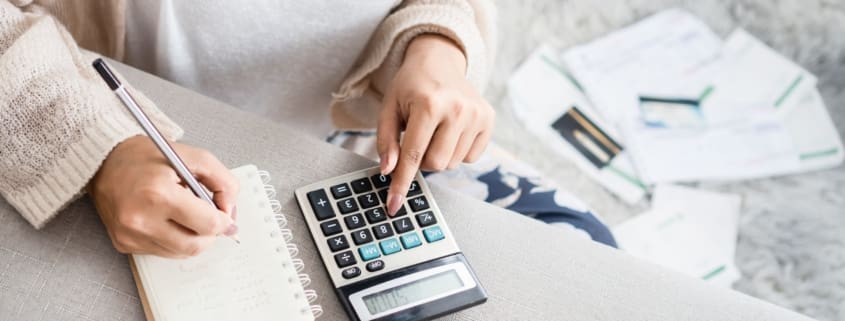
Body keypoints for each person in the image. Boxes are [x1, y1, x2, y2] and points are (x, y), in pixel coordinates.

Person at [0, 0, 614, 259]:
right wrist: (100, 150)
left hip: (351, 130)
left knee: (582, 249)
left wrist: (439, 47)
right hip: (105, 124)